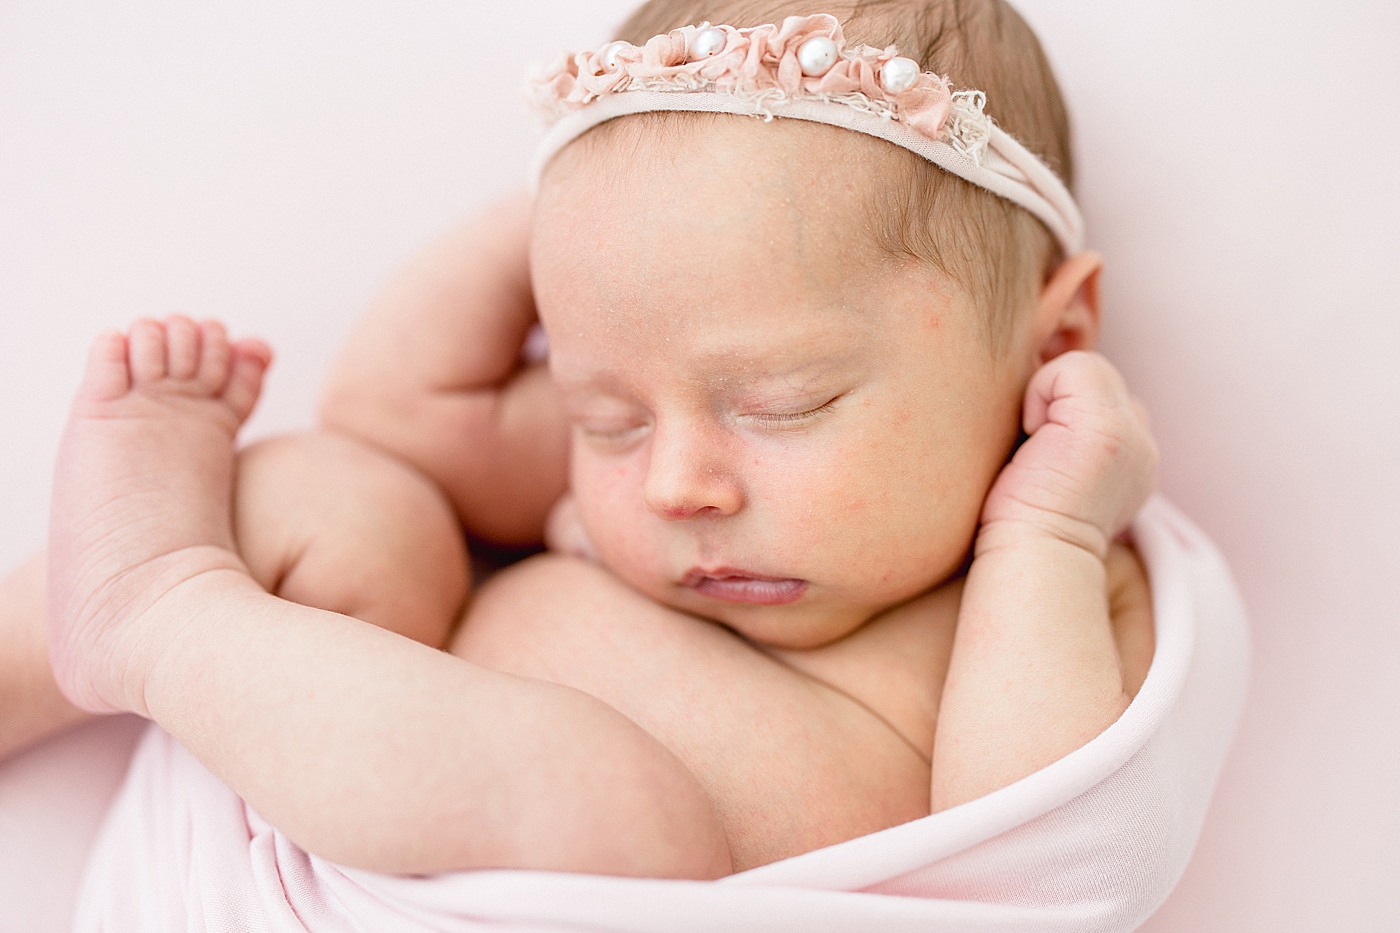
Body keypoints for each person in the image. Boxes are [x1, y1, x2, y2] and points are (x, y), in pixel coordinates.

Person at [14, 0, 1159, 882]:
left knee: (619, 814)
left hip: (582, 871)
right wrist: (608, 196)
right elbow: (396, 419)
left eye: (782, 404)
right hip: (321, 784)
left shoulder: (1064, 567)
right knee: (332, 494)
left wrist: (1046, 536)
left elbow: (1036, 854)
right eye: (602, 421)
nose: (672, 483)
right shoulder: (640, 450)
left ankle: (155, 610)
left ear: (1050, 339)